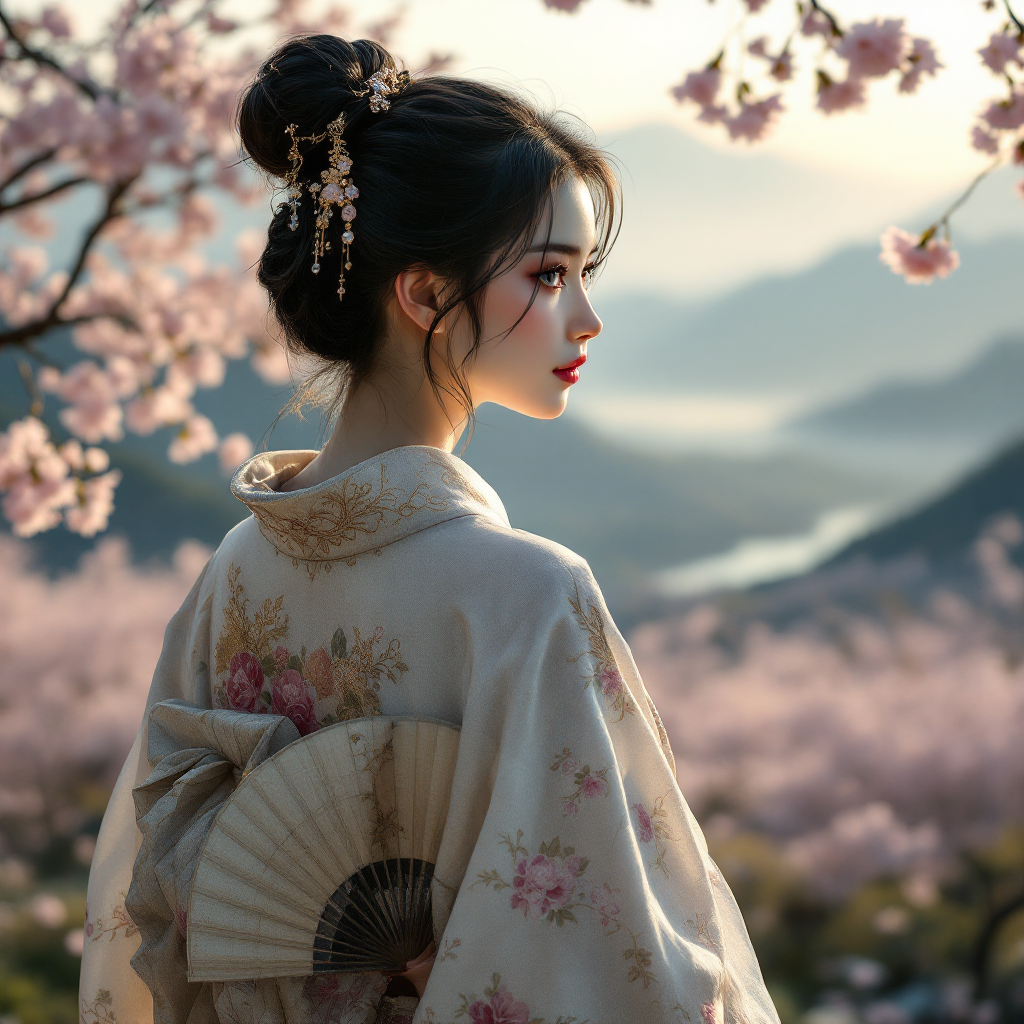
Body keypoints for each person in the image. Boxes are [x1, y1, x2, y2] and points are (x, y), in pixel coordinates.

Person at [79, 34, 781, 1024]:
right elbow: (610, 956)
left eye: (586, 273)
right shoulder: (526, 595)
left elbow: (156, 906)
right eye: (546, 275)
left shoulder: (232, 575)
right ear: (420, 292)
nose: (586, 318)